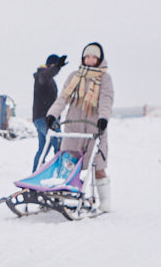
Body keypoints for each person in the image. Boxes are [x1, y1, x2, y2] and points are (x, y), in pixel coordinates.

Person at [46, 42, 115, 212]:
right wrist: (52, 114)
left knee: (98, 166)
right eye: (87, 56)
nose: (90, 60)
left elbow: (106, 100)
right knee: (68, 164)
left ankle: (105, 202)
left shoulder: (105, 79)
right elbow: (63, 98)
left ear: (99, 59)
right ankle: (66, 194)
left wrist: (103, 119)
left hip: (95, 129)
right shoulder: (74, 76)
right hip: (74, 128)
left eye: (94, 57)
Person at [31, 53, 67, 171]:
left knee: (43, 148)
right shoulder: (42, 75)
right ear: (51, 65)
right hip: (43, 118)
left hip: (44, 118)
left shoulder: (47, 79)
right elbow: (46, 75)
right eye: (54, 67)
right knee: (57, 142)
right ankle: (60, 173)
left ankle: (35, 173)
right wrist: (57, 66)